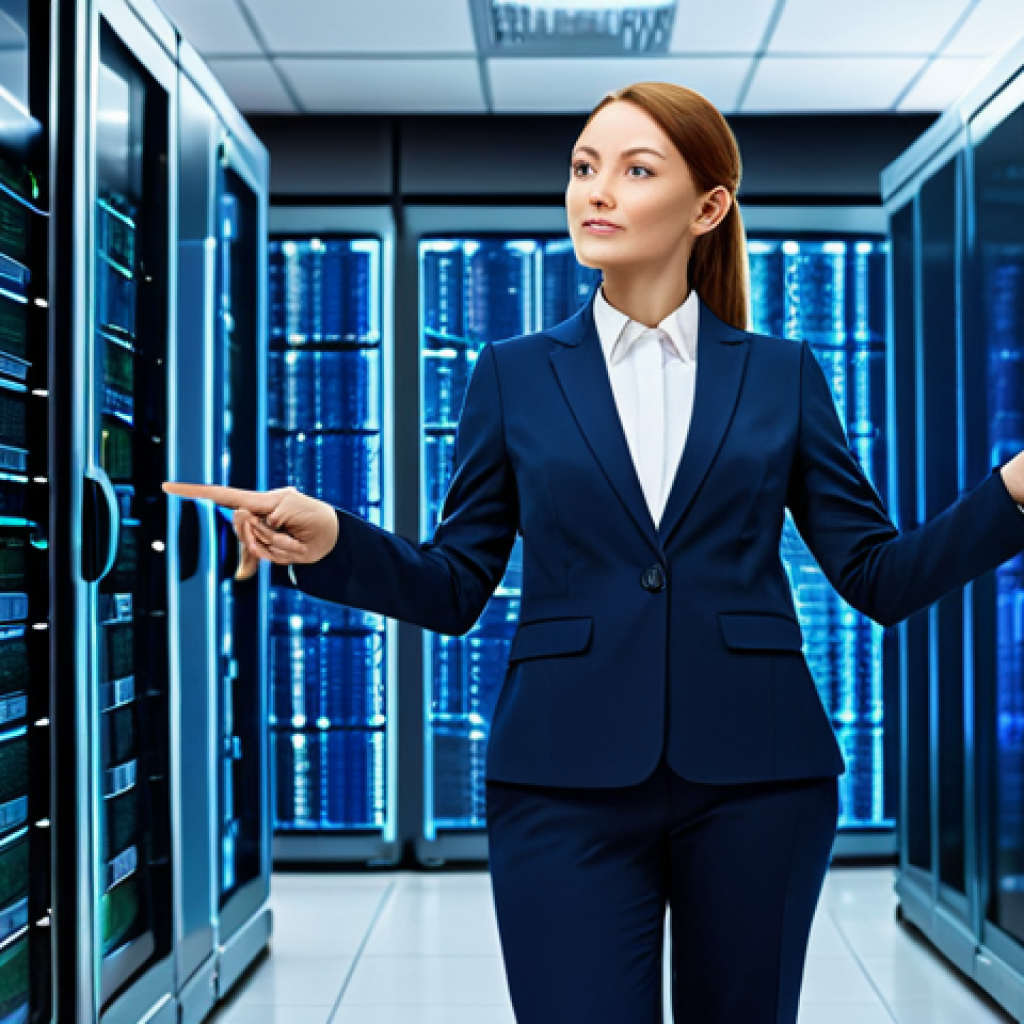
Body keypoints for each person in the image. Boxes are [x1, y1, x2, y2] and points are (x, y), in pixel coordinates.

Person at [165, 82, 1024, 1024]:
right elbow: (457, 585)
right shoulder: (514, 375)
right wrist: (332, 543)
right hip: (558, 778)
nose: (596, 192)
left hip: (761, 776)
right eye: (583, 168)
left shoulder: (782, 375)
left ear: (708, 207)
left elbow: (878, 578)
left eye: (634, 169)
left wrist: (1010, 494)